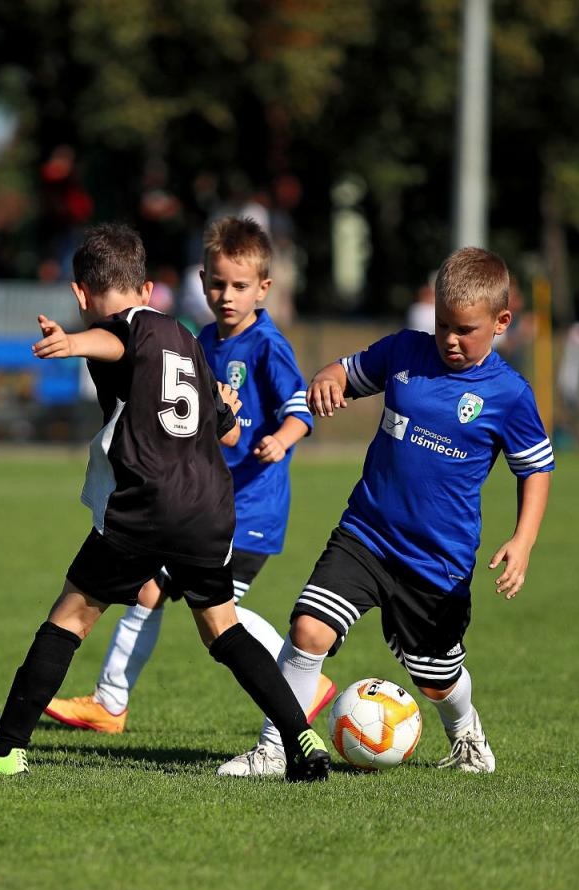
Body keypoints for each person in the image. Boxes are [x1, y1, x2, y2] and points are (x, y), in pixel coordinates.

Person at [0, 223, 330, 782]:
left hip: (146, 507)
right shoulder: (190, 340)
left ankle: (6, 751)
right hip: (209, 508)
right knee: (222, 628)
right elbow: (229, 434)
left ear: (80, 293)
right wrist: (228, 409)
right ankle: (299, 736)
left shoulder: (123, 328)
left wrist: (72, 341)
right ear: (145, 287)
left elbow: (116, 340)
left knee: (69, 616)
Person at [219, 246, 553, 777]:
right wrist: (327, 380)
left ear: (501, 322)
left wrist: (524, 539)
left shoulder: (509, 396)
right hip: (366, 533)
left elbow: (535, 468)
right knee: (308, 629)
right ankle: (276, 749)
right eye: (443, 324)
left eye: (465, 329)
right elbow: (344, 373)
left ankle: (465, 730)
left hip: (436, 562)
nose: (450, 339)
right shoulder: (403, 352)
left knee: (435, 679)